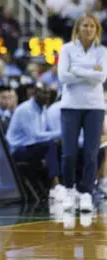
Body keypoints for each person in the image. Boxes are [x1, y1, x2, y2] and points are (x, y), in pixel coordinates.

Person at [58, 14, 107, 212]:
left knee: (91, 152)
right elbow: (63, 77)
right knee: (69, 153)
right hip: (70, 106)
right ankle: (69, 191)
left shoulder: (103, 51)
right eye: (85, 26)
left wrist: (77, 70)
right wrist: (89, 72)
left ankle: (86, 192)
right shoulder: (66, 49)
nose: (88, 29)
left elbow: (101, 77)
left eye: (92, 26)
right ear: (77, 29)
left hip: (94, 107)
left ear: (97, 30)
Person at [6, 82, 65, 202]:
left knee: (60, 146)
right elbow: (35, 136)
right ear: (34, 93)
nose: (47, 96)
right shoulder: (25, 109)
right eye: (43, 93)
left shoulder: (42, 108)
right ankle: (55, 186)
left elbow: (47, 131)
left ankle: (67, 185)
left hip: (31, 147)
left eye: (48, 93)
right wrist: (61, 133)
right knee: (49, 145)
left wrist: (61, 137)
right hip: (16, 149)